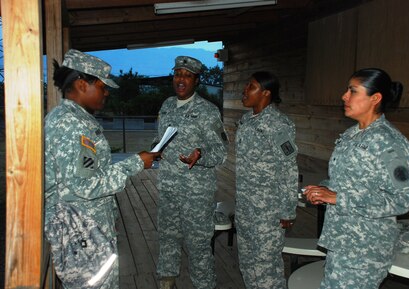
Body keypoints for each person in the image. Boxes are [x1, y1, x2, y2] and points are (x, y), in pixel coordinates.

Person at [44, 49, 160, 288]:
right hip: (82, 237)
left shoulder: (77, 119)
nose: (106, 92)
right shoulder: (70, 124)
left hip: (90, 230)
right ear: (81, 84)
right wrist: (137, 162)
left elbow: (89, 173)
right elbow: (83, 186)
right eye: (102, 85)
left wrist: (110, 216)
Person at [304, 68, 409, 289]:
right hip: (341, 242)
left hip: (365, 252)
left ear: (375, 98)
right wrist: (323, 191)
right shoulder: (351, 135)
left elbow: (401, 201)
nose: (344, 96)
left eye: (353, 91)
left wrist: (338, 198)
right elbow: (343, 183)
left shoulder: (390, 143)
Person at [154, 56, 228, 289]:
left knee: (198, 244)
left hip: (196, 193)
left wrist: (200, 154)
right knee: (167, 237)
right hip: (167, 187)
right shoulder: (166, 105)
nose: (181, 79)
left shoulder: (208, 111)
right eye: (177, 74)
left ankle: (204, 285)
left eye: (187, 75)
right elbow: (159, 137)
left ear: (196, 80)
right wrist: (155, 148)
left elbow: (221, 150)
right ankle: (167, 280)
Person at [235, 71, 298, 289]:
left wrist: (288, 210)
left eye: (251, 86)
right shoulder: (246, 121)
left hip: (267, 212)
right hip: (245, 208)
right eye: (246, 85)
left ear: (266, 93)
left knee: (266, 268)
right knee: (247, 264)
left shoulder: (279, 125)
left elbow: (288, 169)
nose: (244, 90)